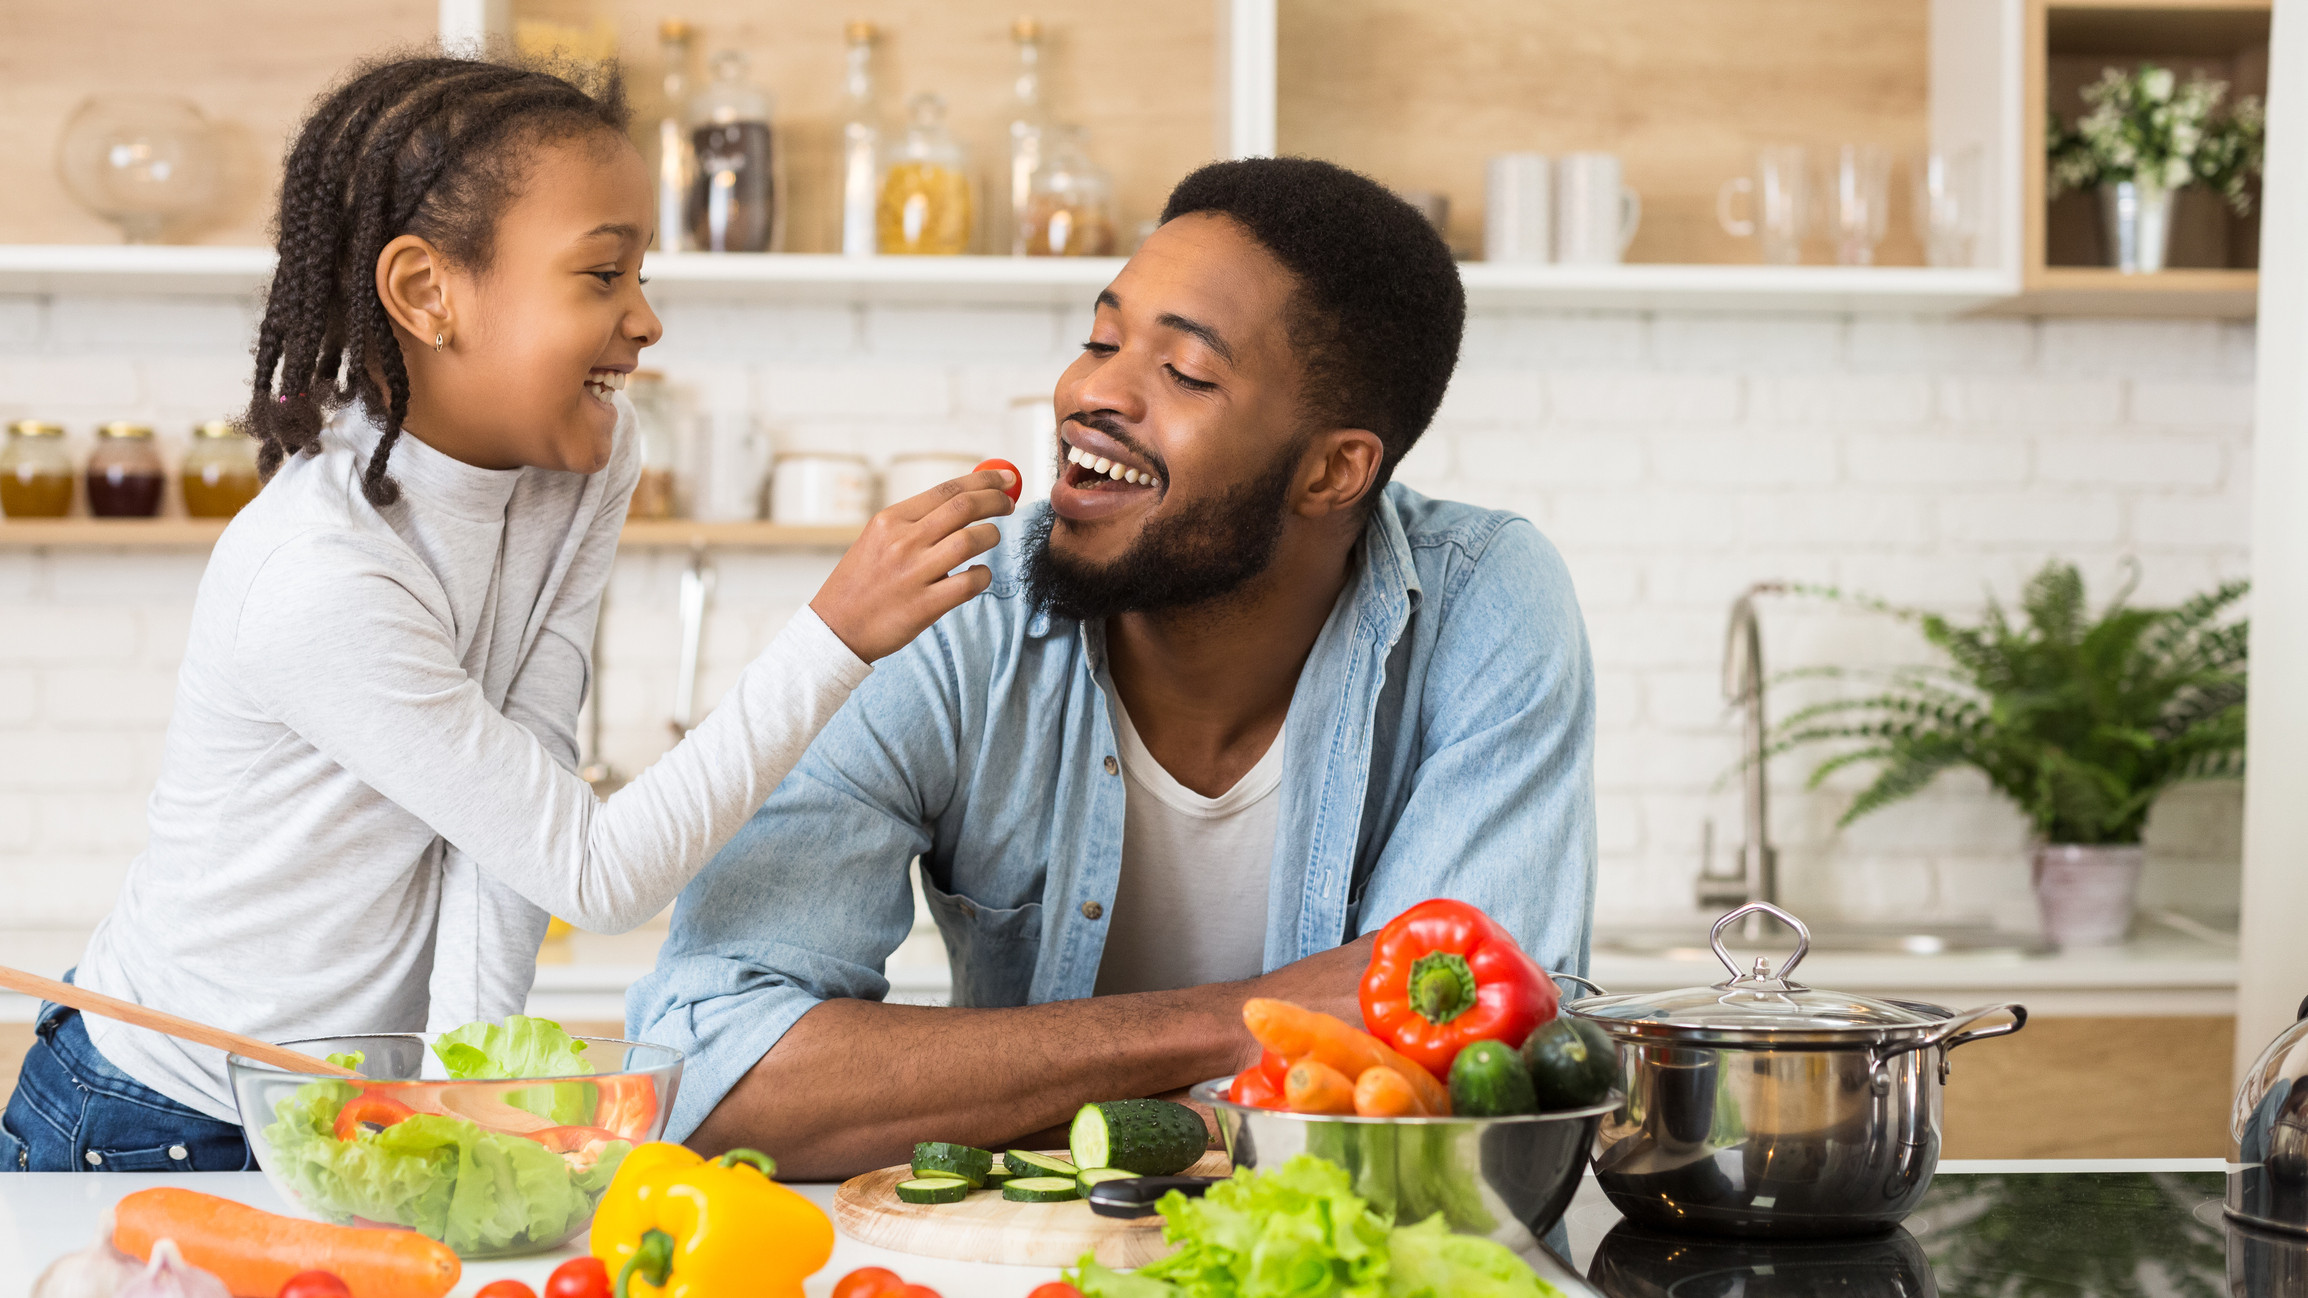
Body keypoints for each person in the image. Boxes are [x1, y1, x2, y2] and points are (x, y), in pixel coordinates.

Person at [0, 55, 1012, 1173]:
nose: (646, 318)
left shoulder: (583, 458)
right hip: (156, 1110)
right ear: (429, 292)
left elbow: (516, 817)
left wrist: (459, 1085)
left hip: (342, 1108)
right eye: (602, 274)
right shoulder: (319, 572)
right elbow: (598, 871)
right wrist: (833, 636)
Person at [631, 157, 1598, 1178]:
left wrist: (998, 1088)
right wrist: (1236, 1021)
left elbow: (1451, 1103)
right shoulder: (952, 612)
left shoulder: (1483, 603)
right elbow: (711, 1078)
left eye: (1183, 372)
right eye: (1100, 338)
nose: (1091, 390)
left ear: (1331, 470)